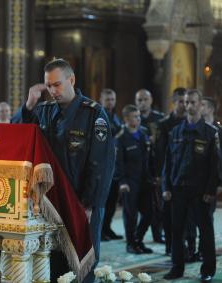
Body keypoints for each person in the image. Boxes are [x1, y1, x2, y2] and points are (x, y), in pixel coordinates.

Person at [12, 58, 115, 283]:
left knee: (82, 263)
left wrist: (89, 203)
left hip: (81, 201)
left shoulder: (93, 114)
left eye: (57, 84)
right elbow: (17, 138)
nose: (52, 91)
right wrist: (28, 106)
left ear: (71, 79)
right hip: (51, 203)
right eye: (48, 86)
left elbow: (101, 164)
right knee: (53, 263)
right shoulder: (44, 111)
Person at [162, 89, 219, 282]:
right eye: (186, 102)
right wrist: (166, 187)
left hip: (200, 192)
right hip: (178, 189)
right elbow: (168, 163)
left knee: (206, 231)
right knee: (176, 231)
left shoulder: (210, 133)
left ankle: (208, 270)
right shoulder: (175, 132)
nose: (189, 106)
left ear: (200, 105)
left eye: (193, 102)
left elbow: (215, 165)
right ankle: (177, 268)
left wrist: (211, 191)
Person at [115, 105, 154, 254]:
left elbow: (150, 157)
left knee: (149, 213)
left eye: (139, 116)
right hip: (129, 182)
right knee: (131, 215)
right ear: (126, 119)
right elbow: (118, 163)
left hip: (145, 180)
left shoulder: (144, 133)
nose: (139, 119)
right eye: (135, 116)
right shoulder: (120, 138)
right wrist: (122, 181)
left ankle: (138, 240)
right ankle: (131, 244)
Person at [157, 87, 187, 255]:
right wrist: (162, 178)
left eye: (186, 101)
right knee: (168, 213)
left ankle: (186, 246)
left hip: (185, 176)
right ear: (174, 102)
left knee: (186, 216)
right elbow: (161, 152)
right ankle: (170, 246)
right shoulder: (164, 124)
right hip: (169, 175)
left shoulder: (189, 123)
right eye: (181, 101)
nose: (184, 105)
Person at [135, 88, 165, 243]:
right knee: (144, 205)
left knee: (158, 203)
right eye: (139, 100)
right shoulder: (133, 119)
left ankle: (157, 234)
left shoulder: (159, 119)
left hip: (156, 165)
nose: (142, 103)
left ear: (151, 100)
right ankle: (136, 236)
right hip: (140, 169)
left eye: (145, 99)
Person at [100, 88, 123, 241]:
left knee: (113, 201)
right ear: (101, 100)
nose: (110, 102)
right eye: (107, 99)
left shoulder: (116, 117)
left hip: (115, 166)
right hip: (103, 166)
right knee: (104, 201)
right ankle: (100, 230)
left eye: (112, 99)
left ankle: (108, 227)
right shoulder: (99, 116)